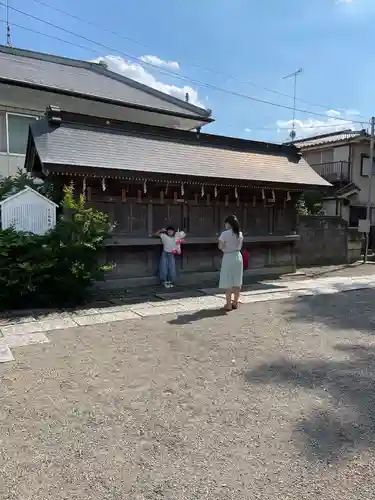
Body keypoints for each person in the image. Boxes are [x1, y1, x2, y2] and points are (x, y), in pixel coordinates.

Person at [218, 214, 244, 310]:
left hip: (228, 256)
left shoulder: (224, 234)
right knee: (237, 280)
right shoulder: (240, 234)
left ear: (228, 223)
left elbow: (220, 246)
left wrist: (225, 247)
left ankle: (228, 304)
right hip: (238, 256)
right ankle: (235, 302)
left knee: (228, 280)